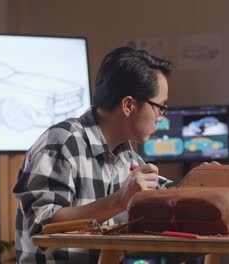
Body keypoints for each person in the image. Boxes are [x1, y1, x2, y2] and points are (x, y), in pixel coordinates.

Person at [13, 47, 173, 263]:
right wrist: (119, 200)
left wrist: (205, 181)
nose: (161, 118)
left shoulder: (128, 157)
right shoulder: (62, 141)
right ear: (128, 105)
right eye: (159, 107)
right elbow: (43, 225)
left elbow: (169, 196)